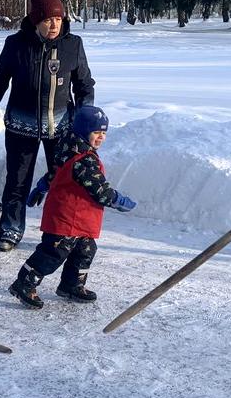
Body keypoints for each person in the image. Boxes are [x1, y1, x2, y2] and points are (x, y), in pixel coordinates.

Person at [0, 0, 96, 251]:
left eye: (57, 18)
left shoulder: (72, 45)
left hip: (61, 127)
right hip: (21, 126)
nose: (53, 25)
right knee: (17, 181)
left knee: (61, 183)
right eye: (46, 20)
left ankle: (58, 233)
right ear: (35, 20)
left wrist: (85, 119)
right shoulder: (15, 45)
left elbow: (85, 85)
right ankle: (10, 229)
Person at [8, 107, 136, 309]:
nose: (101, 137)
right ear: (84, 131)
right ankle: (24, 283)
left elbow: (53, 173)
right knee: (54, 252)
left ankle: (71, 285)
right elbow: (100, 190)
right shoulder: (83, 160)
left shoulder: (70, 148)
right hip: (66, 217)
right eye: (96, 133)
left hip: (80, 218)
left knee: (86, 249)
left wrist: (42, 187)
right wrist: (119, 200)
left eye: (104, 133)